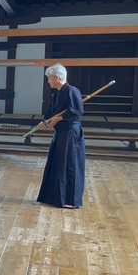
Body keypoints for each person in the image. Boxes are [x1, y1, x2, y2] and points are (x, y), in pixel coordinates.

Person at [36, 64, 86, 209]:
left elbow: (76, 110)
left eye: (49, 78)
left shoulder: (72, 91)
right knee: (57, 164)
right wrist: (46, 122)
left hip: (71, 133)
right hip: (60, 133)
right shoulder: (58, 94)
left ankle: (70, 200)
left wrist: (59, 119)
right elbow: (52, 113)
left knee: (69, 165)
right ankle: (53, 197)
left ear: (56, 77)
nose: (48, 81)